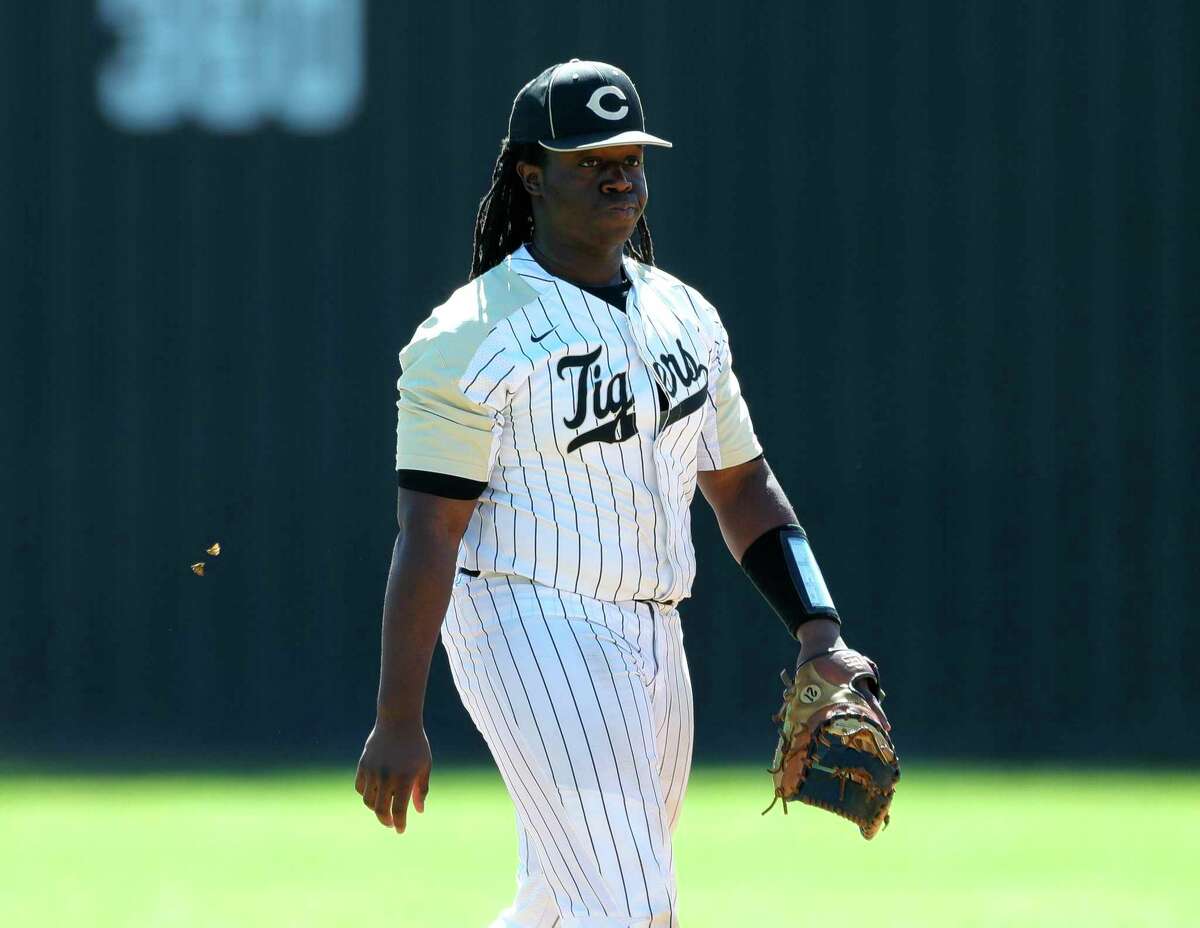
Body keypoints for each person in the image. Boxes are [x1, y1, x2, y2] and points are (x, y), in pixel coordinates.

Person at [355, 59, 880, 927]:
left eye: (630, 157)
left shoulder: (685, 314)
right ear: (531, 174)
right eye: (590, 159)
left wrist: (819, 631)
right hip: (529, 622)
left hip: (651, 628)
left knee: (564, 902)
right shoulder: (468, 336)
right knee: (634, 906)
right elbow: (429, 533)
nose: (618, 175)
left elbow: (743, 485)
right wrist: (397, 718)